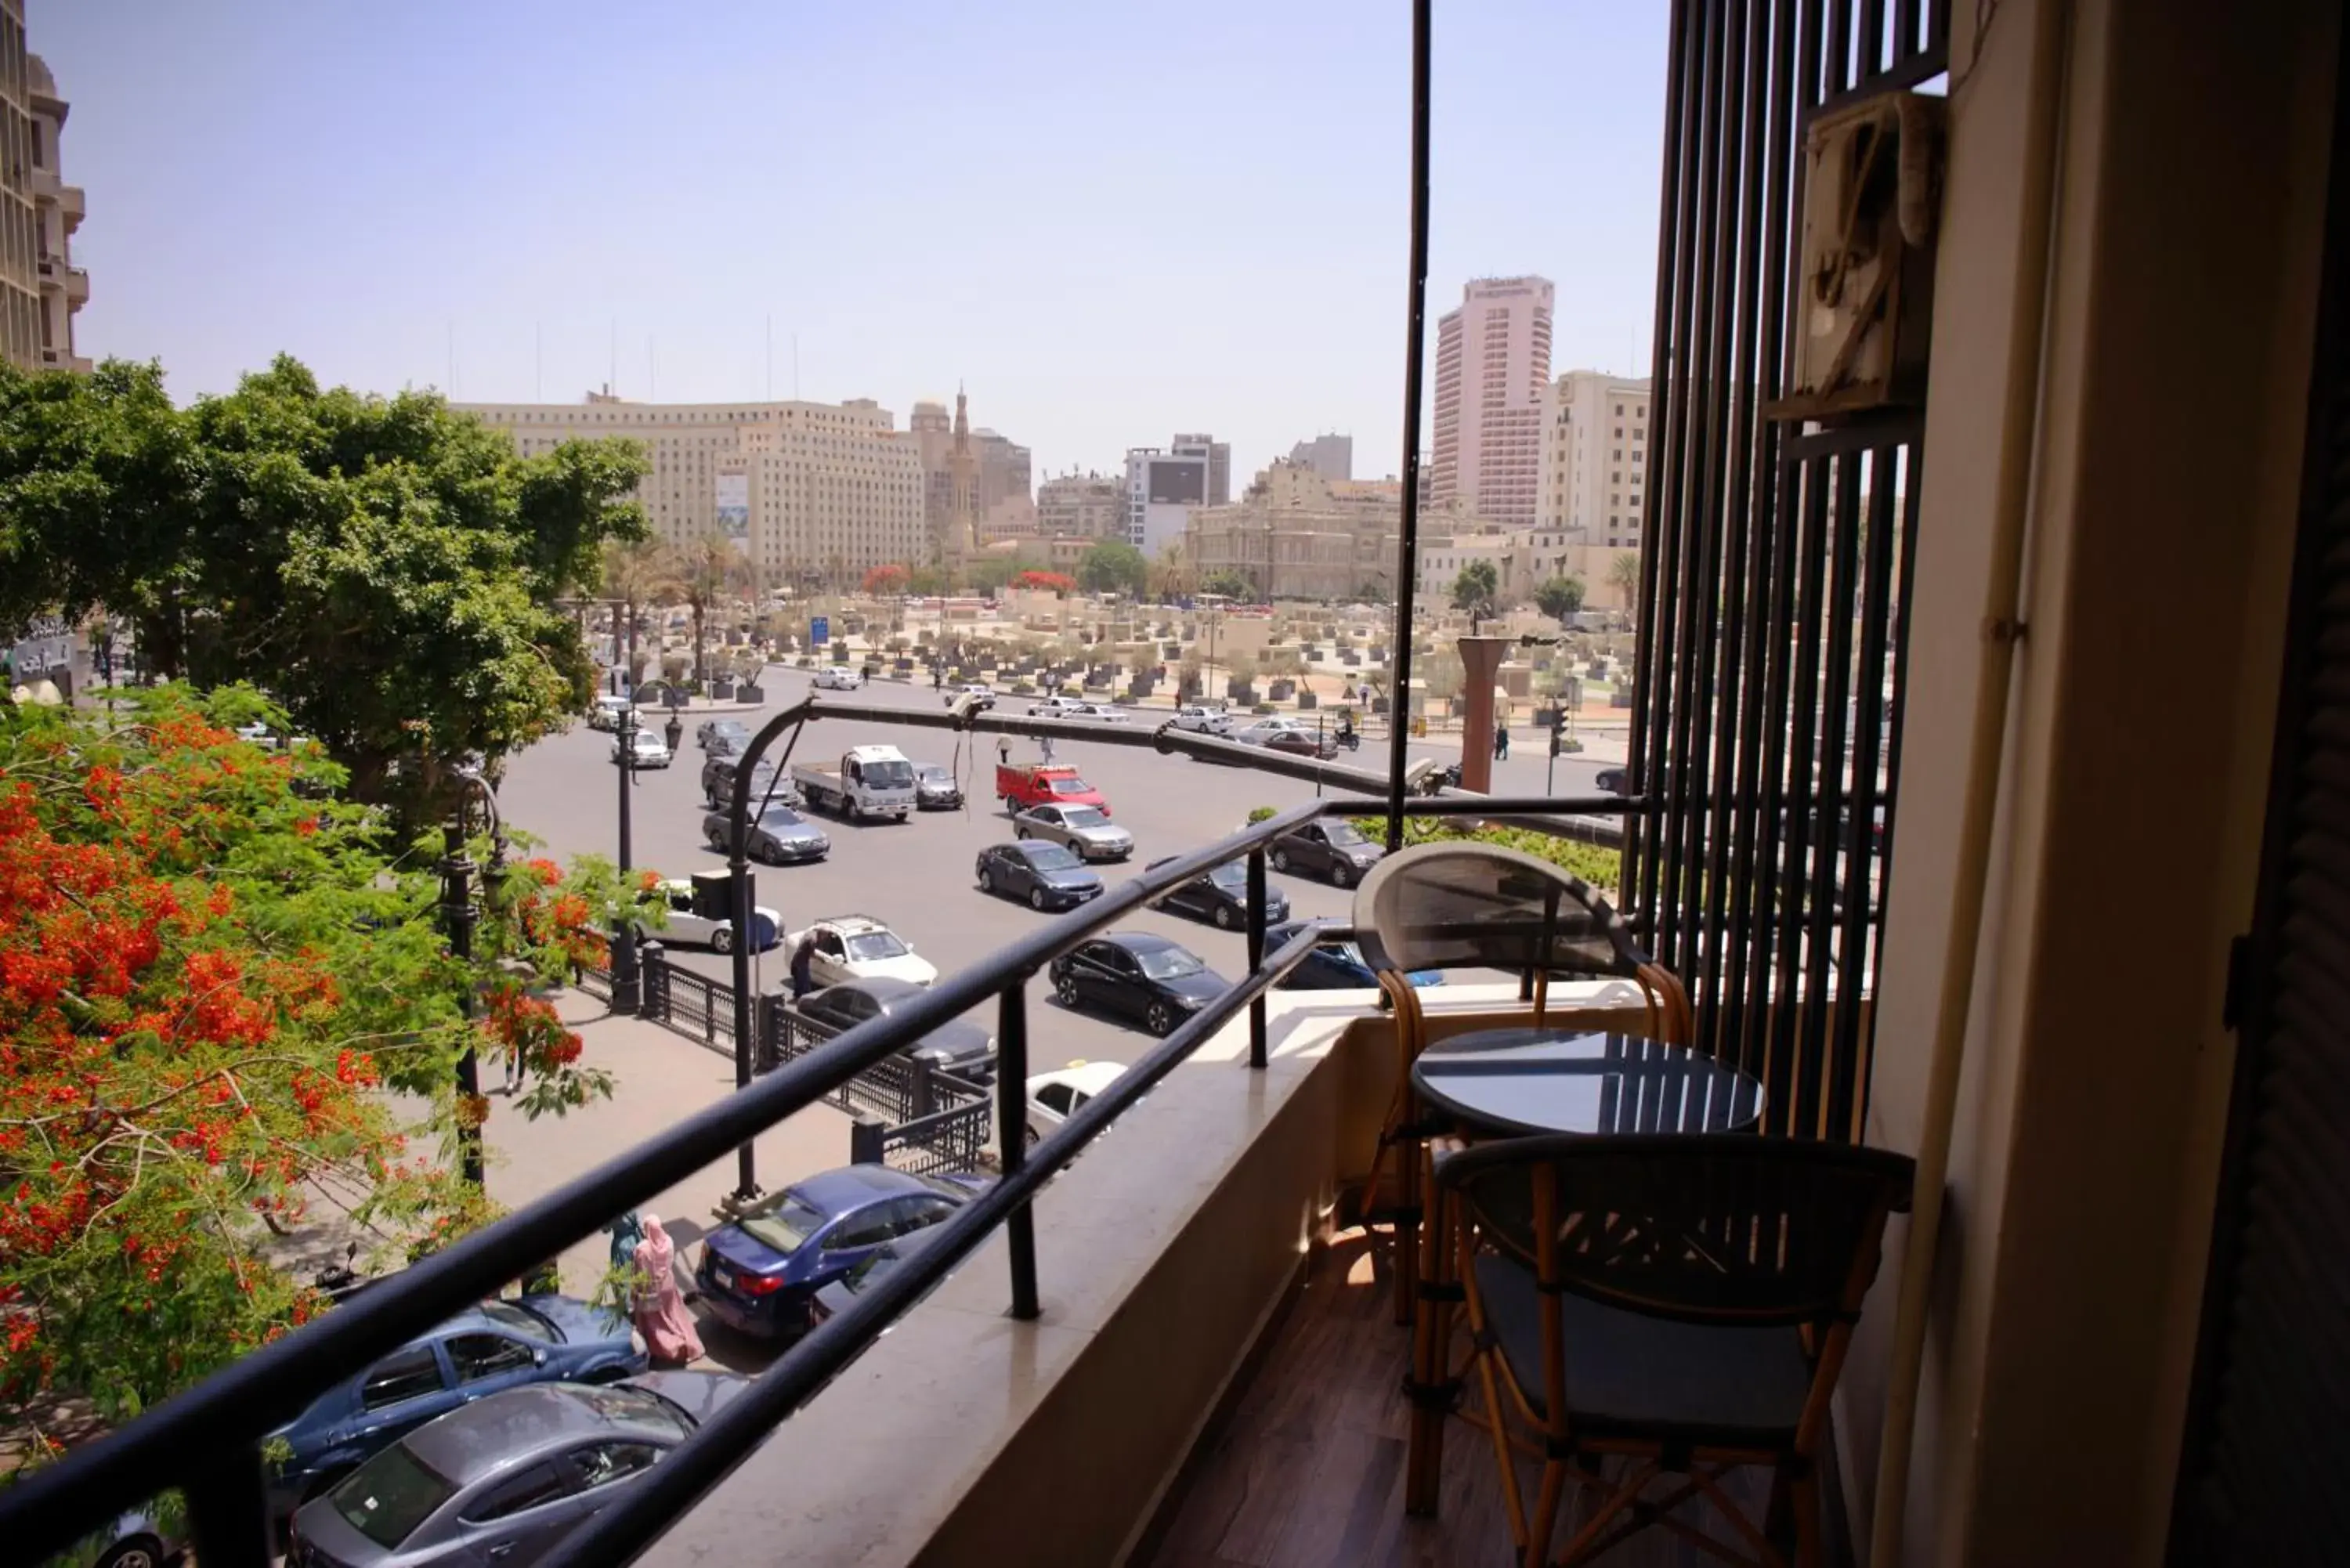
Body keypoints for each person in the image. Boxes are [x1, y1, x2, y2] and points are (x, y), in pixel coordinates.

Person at [630, 1216, 703, 1366]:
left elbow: (640, 1274)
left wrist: (636, 1292)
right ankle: (689, 1342)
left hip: (651, 1290)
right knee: (675, 1314)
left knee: (655, 1322)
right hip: (668, 1285)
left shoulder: (642, 1249)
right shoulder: (668, 1241)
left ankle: (671, 1347)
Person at [790, 935, 818, 999]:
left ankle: (798, 995)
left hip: (796, 964)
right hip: (801, 965)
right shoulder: (811, 944)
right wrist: (821, 959)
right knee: (805, 981)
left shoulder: (802, 949)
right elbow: (812, 954)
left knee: (799, 982)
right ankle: (805, 998)